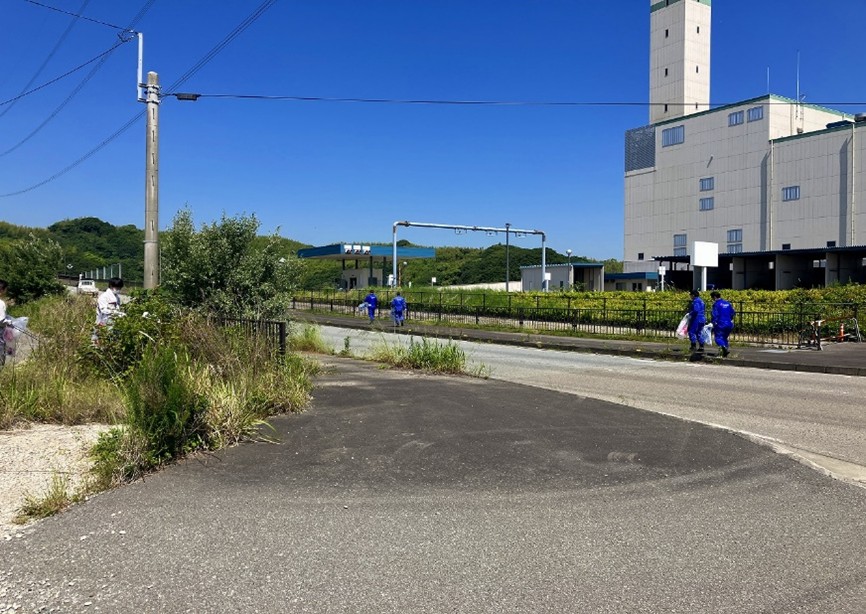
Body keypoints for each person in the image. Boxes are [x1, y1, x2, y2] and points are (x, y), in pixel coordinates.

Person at [710, 290, 736, 357]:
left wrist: (713, 322)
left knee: (718, 338)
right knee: (724, 338)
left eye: (712, 298)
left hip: (720, 323)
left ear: (714, 297)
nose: (712, 300)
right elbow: (733, 312)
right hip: (729, 323)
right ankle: (724, 352)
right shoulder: (727, 303)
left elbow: (715, 315)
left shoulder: (716, 304)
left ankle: (723, 349)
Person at [0, 280, 11, 365]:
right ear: (2, 290)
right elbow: (1, 321)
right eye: (6, 289)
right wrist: (9, 322)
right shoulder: (1, 303)